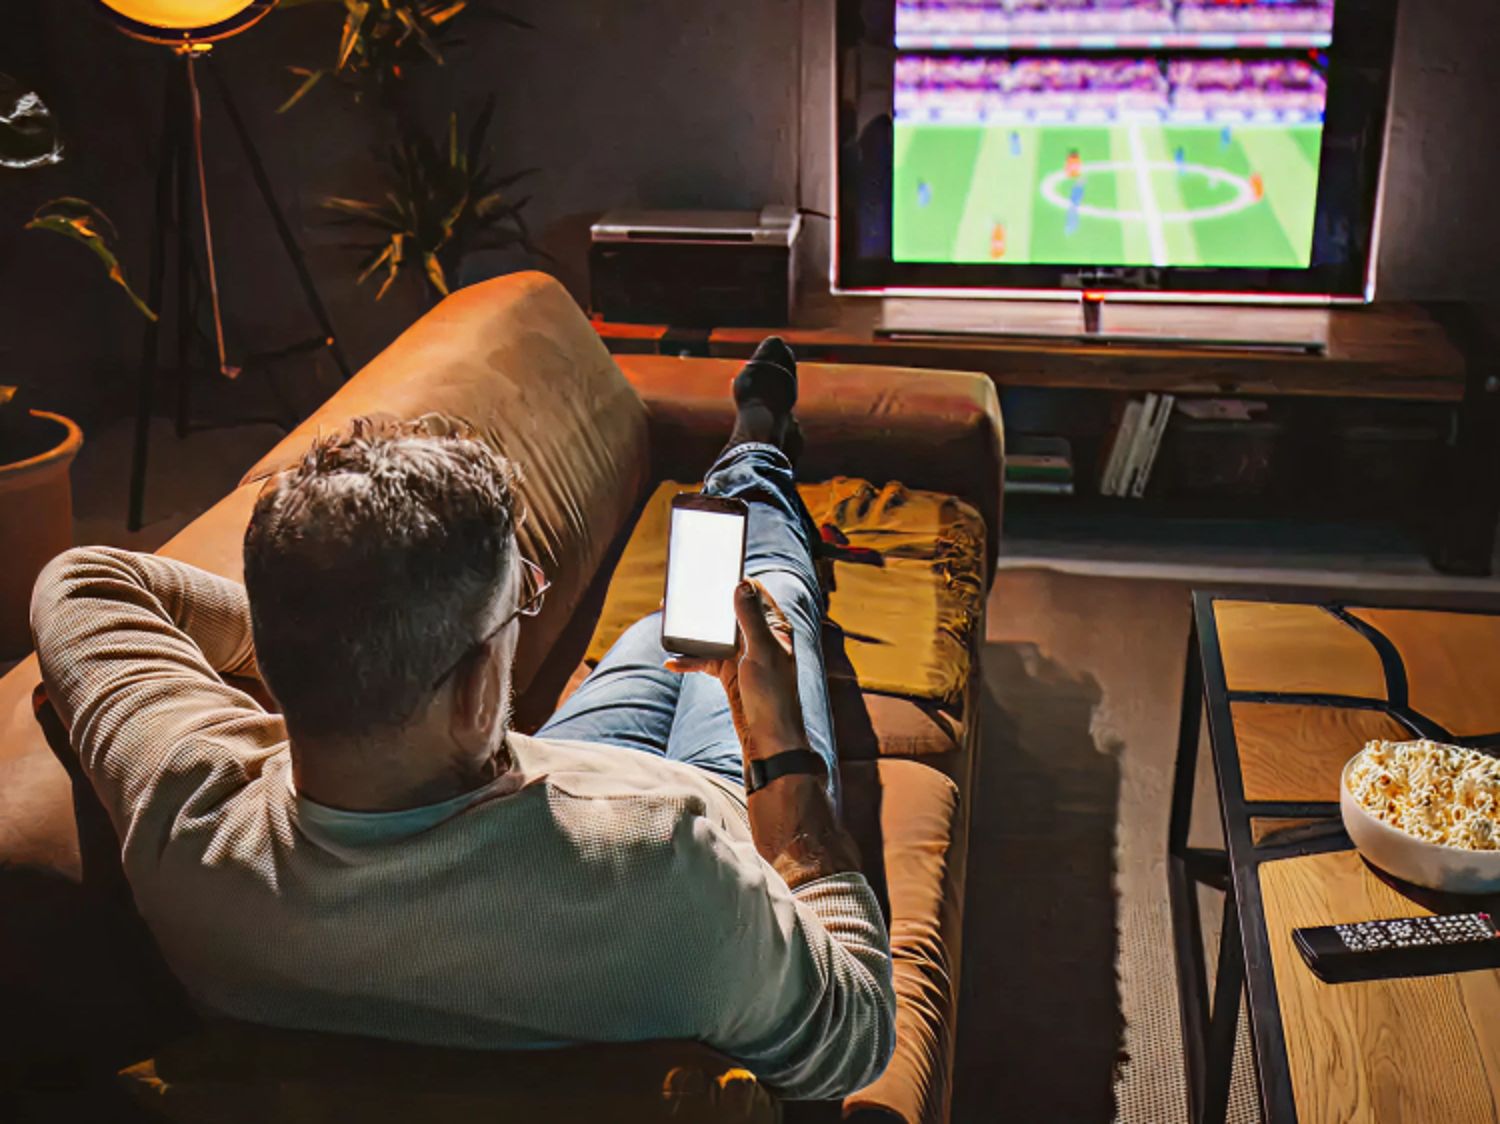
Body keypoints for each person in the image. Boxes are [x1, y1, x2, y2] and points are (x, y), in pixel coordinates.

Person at [29, 339, 896, 1101]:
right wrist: (782, 754)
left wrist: (347, 649)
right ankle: (758, 457)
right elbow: (855, 1035)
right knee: (768, 598)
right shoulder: (664, 876)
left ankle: (749, 463)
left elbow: (83, 581)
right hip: (723, 798)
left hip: (556, 771)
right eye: (518, 604)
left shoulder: (187, 826)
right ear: (481, 686)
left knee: (669, 630)